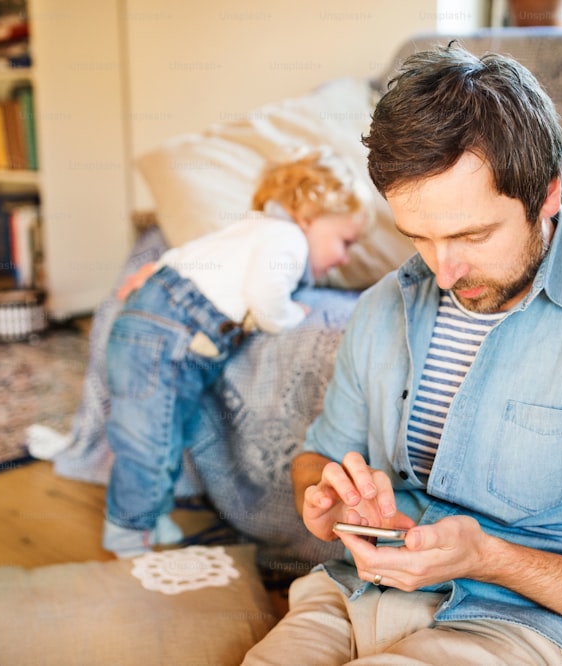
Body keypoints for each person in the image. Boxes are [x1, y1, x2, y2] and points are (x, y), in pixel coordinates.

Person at [243, 44, 562, 666]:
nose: (443, 273)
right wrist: (328, 501)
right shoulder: (385, 307)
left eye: (472, 235)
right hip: (353, 594)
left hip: (520, 626)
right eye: (419, 237)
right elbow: (320, 458)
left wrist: (487, 557)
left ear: (547, 195)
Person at [103, 148, 366, 558]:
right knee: (148, 442)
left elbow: (186, 257)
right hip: (165, 338)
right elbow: (266, 301)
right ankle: (125, 530)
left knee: (164, 433)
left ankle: (149, 517)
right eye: (345, 241)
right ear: (311, 217)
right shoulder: (287, 239)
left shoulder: (253, 228)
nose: (343, 259)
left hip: (161, 330)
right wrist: (293, 312)